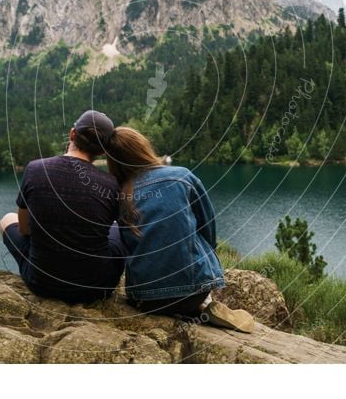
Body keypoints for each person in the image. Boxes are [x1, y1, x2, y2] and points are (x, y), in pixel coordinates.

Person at [106, 127, 255, 332]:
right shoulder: (181, 176)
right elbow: (207, 224)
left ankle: (184, 305)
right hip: (194, 291)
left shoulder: (120, 196)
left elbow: (127, 244)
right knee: (192, 231)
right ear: (144, 148)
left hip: (145, 300)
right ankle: (205, 304)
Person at [0, 110, 125, 304]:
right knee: (118, 227)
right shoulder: (111, 184)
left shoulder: (35, 168)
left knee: (7, 219)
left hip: (42, 282)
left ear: (72, 134)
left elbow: (25, 229)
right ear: (102, 151)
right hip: (97, 287)